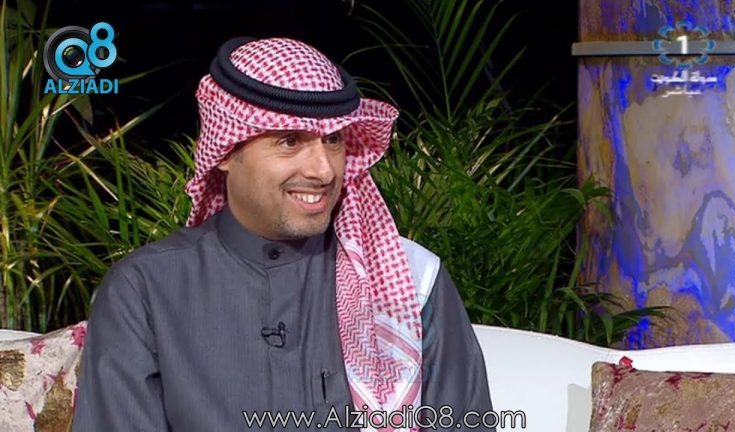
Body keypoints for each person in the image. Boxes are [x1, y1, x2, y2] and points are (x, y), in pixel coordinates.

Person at [72, 37, 493, 431]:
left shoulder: (413, 282)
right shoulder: (146, 289)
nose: (323, 170)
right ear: (225, 151)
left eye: (333, 140)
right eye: (290, 141)